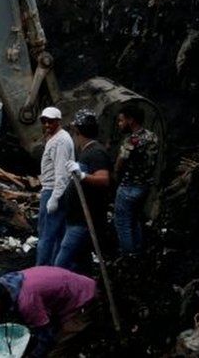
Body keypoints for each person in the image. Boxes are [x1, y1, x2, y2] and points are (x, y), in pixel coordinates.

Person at [0, 266, 97, 358]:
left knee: (57, 350)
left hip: (84, 298)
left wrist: (34, 355)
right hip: (67, 291)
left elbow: (46, 337)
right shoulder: (3, 283)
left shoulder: (27, 303)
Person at [55, 109, 113, 273]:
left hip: (83, 221)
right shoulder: (88, 151)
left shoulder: (96, 153)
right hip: (76, 218)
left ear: (77, 131)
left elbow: (103, 179)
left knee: (61, 263)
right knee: (81, 262)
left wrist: (82, 175)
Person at [113, 104, 159, 255]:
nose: (120, 124)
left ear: (130, 120)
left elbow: (120, 163)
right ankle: (139, 253)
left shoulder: (131, 141)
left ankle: (128, 256)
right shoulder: (152, 137)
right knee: (136, 220)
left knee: (123, 223)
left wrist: (115, 173)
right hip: (144, 186)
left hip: (129, 186)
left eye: (121, 120)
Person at [36, 106, 74, 266]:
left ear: (58, 121)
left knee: (46, 235)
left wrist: (55, 198)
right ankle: (54, 267)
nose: (46, 125)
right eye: (44, 121)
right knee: (58, 233)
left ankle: (41, 269)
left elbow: (62, 173)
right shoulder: (55, 138)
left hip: (53, 190)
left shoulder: (61, 141)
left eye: (50, 122)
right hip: (52, 189)